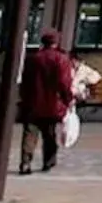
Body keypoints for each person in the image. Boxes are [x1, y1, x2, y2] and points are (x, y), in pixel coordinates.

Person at [18, 30, 76, 175]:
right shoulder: (61, 59)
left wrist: (23, 98)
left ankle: (25, 162)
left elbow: (25, 81)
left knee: (29, 134)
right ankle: (48, 161)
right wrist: (68, 99)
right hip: (52, 103)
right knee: (49, 134)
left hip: (32, 102)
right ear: (56, 42)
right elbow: (64, 83)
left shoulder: (33, 58)